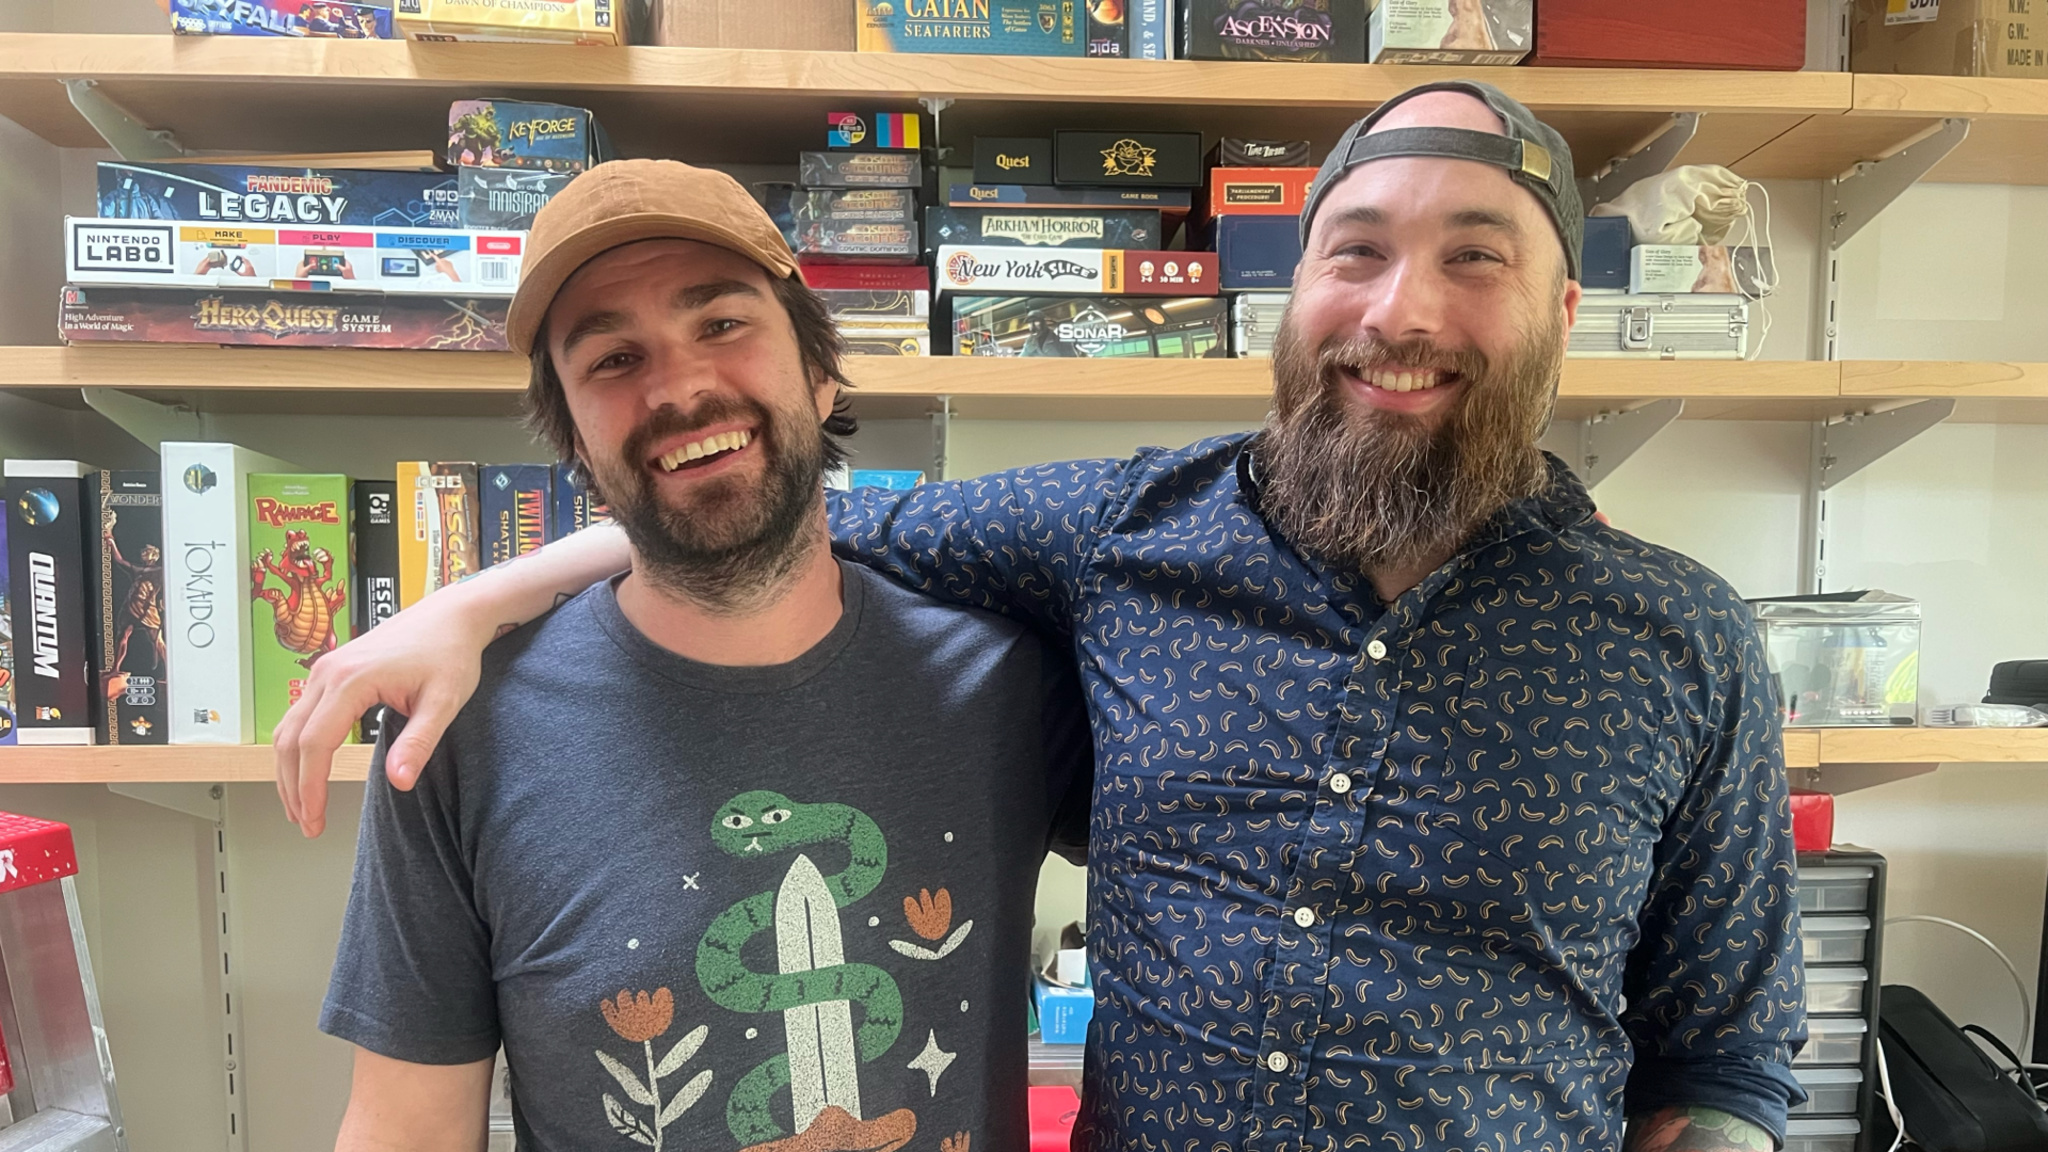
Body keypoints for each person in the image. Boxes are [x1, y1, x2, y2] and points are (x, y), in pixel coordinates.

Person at [282, 82, 1808, 1152]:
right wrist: (479, 597)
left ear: (1560, 309)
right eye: (1357, 252)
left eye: (1476, 255)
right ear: (1296, 292)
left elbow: (1724, 1054)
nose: (1400, 311)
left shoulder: (1679, 641)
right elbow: (768, 512)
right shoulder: (1115, 537)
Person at [315, 159, 1088, 1152]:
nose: (679, 387)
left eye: (721, 324)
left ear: (819, 372)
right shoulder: (456, 735)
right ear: (576, 447)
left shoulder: (1004, 687)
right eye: (610, 360)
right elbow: (404, 1131)